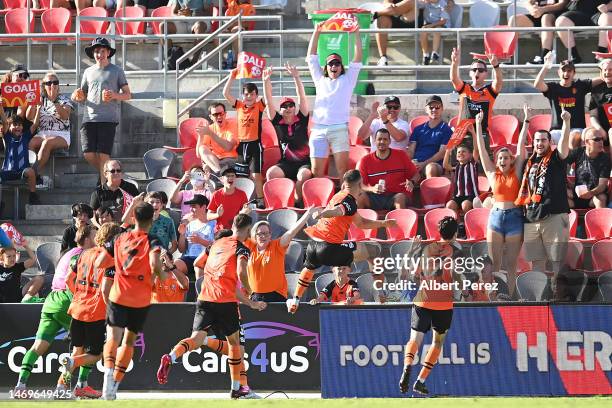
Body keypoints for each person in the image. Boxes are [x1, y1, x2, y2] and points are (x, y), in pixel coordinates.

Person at [156, 213, 266, 399]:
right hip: (225, 301)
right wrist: (250, 292)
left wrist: (210, 277)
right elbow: (241, 271)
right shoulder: (242, 248)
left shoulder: (215, 244)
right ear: (248, 230)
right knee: (235, 345)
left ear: (232, 225)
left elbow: (198, 262)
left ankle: (171, 357)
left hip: (205, 297)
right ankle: (236, 389)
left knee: (196, 339)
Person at [287, 170, 397, 314]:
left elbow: (361, 223)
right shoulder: (348, 201)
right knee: (373, 251)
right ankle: (382, 295)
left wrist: (383, 223)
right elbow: (338, 211)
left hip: (314, 245)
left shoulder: (338, 196)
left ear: (344, 183)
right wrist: (322, 213)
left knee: (309, 268)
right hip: (329, 248)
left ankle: (295, 299)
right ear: (359, 184)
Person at [14, 225, 97, 398]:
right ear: (87, 238)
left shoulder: (69, 252)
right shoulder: (83, 255)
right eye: (95, 234)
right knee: (87, 346)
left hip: (51, 301)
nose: (98, 238)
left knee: (38, 346)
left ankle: (20, 386)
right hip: (67, 301)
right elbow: (70, 280)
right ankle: (73, 386)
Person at [101, 202, 165, 400]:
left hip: (119, 296)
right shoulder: (152, 240)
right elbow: (155, 264)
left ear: (133, 219)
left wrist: (119, 266)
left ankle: (107, 377)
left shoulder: (119, 238)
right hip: (140, 300)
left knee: (112, 338)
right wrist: (161, 275)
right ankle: (115, 387)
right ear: (152, 219)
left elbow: (99, 262)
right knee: (129, 342)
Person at [59, 223, 124, 399]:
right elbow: (105, 289)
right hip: (95, 311)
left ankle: (62, 387)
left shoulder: (84, 254)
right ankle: (73, 364)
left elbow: (68, 280)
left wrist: (80, 295)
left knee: (77, 350)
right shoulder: (110, 259)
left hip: (77, 308)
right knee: (97, 354)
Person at [398, 217, 461, 396]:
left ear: (438, 232)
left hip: (423, 300)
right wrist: (464, 291)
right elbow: (457, 275)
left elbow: (412, 273)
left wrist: (412, 250)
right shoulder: (456, 252)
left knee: (414, 340)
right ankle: (420, 380)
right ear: (455, 234)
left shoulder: (426, 249)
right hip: (443, 304)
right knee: (437, 342)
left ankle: (407, 368)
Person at [474, 106, 529, 299]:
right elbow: (482, 151)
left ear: (511, 160)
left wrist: (526, 121)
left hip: (514, 218)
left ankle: (512, 297)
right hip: (496, 218)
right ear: (496, 161)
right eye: (500, 158)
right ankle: (494, 298)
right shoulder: (491, 173)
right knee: (495, 265)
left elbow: (521, 146)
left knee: (511, 265)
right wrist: (479, 124)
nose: (503, 160)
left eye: (506, 157)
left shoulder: (517, 170)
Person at [516, 109, 571, 299]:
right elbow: (519, 147)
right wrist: (526, 120)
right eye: (537, 140)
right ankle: (539, 298)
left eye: (543, 140)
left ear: (550, 143)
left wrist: (566, 123)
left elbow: (564, 146)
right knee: (536, 262)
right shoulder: (528, 163)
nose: (539, 143)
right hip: (531, 217)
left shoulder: (556, 158)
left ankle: (559, 297)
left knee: (557, 260)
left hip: (554, 215)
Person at [71, 37, 131, 185]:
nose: (99, 54)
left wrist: (114, 95)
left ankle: (104, 186)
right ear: (93, 53)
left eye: (102, 51)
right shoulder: (88, 71)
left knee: (104, 155)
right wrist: (76, 96)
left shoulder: (117, 71)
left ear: (108, 52)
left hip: (108, 118)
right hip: (89, 118)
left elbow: (128, 94)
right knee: (88, 154)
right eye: (96, 51)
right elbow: (82, 94)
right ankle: (107, 173)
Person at [306, 22, 362, 179]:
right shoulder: (319, 79)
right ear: (326, 67)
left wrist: (356, 33)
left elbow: (357, 58)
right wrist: (316, 32)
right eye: (331, 63)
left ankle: (344, 201)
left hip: (339, 129)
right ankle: (320, 201)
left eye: (337, 63)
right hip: (318, 129)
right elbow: (311, 56)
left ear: (341, 67)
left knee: (342, 171)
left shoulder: (348, 79)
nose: (334, 65)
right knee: (316, 172)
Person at [262, 64, 312, 204]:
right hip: (286, 163)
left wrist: (296, 77)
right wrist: (265, 81)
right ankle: (279, 203)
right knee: (271, 173)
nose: (288, 108)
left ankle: (297, 204)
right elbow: (268, 101)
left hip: (304, 162)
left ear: (295, 108)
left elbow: (302, 96)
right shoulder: (277, 122)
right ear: (281, 110)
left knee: (304, 175)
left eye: (291, 105)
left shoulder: (302, 119)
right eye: (284, 106)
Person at [245, 207, 315, 302]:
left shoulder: (277, 246)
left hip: (276, 295)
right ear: (254, 236)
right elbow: (237, 232)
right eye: (260, 234)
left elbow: (291, 233)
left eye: (266, 233)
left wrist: (307, 215)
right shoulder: (250, 247)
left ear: (270, 235)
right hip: (255, 296)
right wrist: (242, 214)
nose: (263, 236)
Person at [534, 55, 600, 146]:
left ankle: (571, 160)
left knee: (573, 138)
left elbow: (604, 78)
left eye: (569, 71)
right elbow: (537, 84)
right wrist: (546, 65)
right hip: (557, 131)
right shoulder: (553, 87)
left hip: (576, 129)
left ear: (574, 73)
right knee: (543, 141)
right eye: (563, 70)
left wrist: (607, 71)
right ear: (558, 72)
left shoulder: (580, 85)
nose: (566, 73)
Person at [450, 48, 503, 160]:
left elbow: (498, 83)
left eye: (480, 70)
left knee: (480, 167)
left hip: (481, 133)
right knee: (455, 165)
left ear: (486, 74)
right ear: (470, 73)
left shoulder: (489, 91)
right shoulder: (465, 88)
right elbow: (454, 79)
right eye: (474, 70)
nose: (477, 72)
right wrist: (454, 64)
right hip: (462, 133)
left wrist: (496, 66)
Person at [223, 70, 266, 206]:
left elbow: (269, 95)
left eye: (252, 94)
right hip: (242, 146)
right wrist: (231, 77)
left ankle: (260, 200)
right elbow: (225, 93)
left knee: (255, 175)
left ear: (256, 95)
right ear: (242, 95)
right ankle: (241, 200)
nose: (249, 96)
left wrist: (266, 80)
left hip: (255, 145)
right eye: (246, 94)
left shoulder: (259, 106)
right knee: (240, 175)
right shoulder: (239, 105)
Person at [27, 72, 74, 189]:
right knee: (30, 143)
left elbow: (64, 116)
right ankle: (34, 175)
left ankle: (32, 173)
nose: (52, 85)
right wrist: (33, 104)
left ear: (58, 85)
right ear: (44, 85)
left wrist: (55, 101)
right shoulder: (40, 99)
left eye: (55, 82)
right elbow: (29, 117)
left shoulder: (64, 99)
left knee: (47, 142)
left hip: (61, 134)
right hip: (43, 132)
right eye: (48, 83)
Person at [357, 129, 419, 210]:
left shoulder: (401, 155)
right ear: (374, 141)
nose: (382, 142)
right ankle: (358, 222)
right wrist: (372, 189)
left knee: (400, 198)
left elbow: (416, 175)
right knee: (360, 196)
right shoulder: (365, 160)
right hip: (375, 197)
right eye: (379, 139)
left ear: (390, 142)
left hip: (396, 195)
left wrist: (412, 182)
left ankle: (402, 222)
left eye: (385, 139)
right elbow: (361, 185)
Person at [0, 101, 41, 204]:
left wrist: (39, 108)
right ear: (9, 127)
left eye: (20, 125)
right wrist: (1, 107)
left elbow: (35, 125)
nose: (17, 127)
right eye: (14, 125)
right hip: (8, 171)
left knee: (31, 172)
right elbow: (4, 122)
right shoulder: (7, 137)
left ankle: (33, 196)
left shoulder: (25, 137)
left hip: (22, 172)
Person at [508, 0, 568, 65]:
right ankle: (508, 58)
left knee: (545, 18)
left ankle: (544, 57)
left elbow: (562, 5)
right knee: (514, 20)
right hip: (539, 14)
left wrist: (543, 9)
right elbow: (529, 2)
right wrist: (532, 9)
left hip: (556, 15)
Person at [407, 95, 453, 178]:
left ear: (442, 109)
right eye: (431, 107)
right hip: (417, 162)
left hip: (434, 164)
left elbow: (442, 153)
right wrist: (410, 162)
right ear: (426, 109)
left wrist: (423, 164)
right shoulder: (418, 129)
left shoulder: (446, 129)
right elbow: (411, 150)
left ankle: (430, 190)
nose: (434, 110)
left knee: (431, 168)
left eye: (437, 107)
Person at [566, 127, 611, 208]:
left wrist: (590, 193)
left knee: (601, 198)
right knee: (557, 194)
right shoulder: (578, 152)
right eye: (597, 139)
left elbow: (602, 186)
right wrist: (567, 186)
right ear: (587, 142)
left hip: (593, 196)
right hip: (576, 195)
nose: (601, 142)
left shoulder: (605, 158)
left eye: (601, 139)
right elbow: (559, 167)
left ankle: (600, 220)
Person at [174, 194, 216, 280]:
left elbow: (216, 247)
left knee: (198, 268)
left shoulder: (214, 224)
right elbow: (181, 249)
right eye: (190, 207)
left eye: (194, 206)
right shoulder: (190, 224)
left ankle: (200, 292)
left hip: (206, 258)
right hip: (189, 257)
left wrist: (200, 241)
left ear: (204, 207)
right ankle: (184, 288)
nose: (191, 209)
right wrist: (182, 234)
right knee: (173, 267)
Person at [162, 0, 210, 68]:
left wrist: (192, 13)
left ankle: (193, 64)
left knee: (199, 26)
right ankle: (170, 61)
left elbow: (209, 13)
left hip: (200, 21)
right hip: (183, 22)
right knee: (164, 26)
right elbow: (173, 12)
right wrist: (180, 13)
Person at [372, 0, 419, 66]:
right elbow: (386, 2)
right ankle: (383, 58)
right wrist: (389, 4)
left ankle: (376, 14)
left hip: (413, 19)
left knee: (411, 2)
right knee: (382, 19)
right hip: (396, 17)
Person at [196, 103, 238, 174]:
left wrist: (210, 133)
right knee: (202, 148)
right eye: (215, 115)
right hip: (216, 161)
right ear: (211, 117)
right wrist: (201, 136)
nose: (219, 117)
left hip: (231, 159)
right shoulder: (210, 128)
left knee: (206, 167)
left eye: (221, 113)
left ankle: (218, 173)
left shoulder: (233, 124)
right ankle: (219, 172)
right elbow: (199, 154)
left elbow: (229, 147)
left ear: (225, 114)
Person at [207, 167, 249, 232]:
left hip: (237, 230)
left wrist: (243, 213)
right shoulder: (216, 195)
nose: (230, 178)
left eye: (232, 176)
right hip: (221, 232)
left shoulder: (242, 194)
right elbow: (208, 216)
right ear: (221, 179)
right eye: (227, 176)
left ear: (236, 178)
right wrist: (217, 215)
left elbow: (246, 213)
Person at [443, 144, 478, 214]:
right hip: (458, 196)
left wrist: (474, 134)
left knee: (465, 205)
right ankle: (459, 223)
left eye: (464, 151)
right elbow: (445, 165)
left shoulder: (472, 164)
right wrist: (448, 151)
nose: (461, 153)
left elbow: (476, 150)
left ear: (470, 155)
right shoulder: (456, 167)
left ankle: (468, 222)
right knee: (449, 205)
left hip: (471, 195)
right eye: (458, 152)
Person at [588, 58, 612, 155]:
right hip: (602, 129)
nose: (607, 72)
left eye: (610, 69)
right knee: (587, 134)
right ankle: (587, 169)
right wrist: (599, 129)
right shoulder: (596, 90)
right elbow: (593, 116)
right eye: (605, 70)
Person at [418, 0, 450, 65]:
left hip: (441, 25)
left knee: (437, 29)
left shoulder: (443, 4)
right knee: (423, 30)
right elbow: (415, 4)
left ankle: (435, 53)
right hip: (429, 24)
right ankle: (426, 55)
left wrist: (431, 25)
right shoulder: (425, 2)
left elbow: (443, 21)